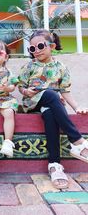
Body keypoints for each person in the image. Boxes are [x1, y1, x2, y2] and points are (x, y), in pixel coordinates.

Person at [18, 29, 88, 189]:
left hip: (52, 105)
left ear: (52, 46)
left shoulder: (61, 67)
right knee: (50, 94)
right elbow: (21, 86)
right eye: (32, 48)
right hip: (33, 101)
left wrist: (77, 107)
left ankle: (55, 165)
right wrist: (25, 91)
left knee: (50, 113)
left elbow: (65, 90)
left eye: (40, 46)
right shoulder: (29, 66)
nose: (36, 51)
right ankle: (78, 141)